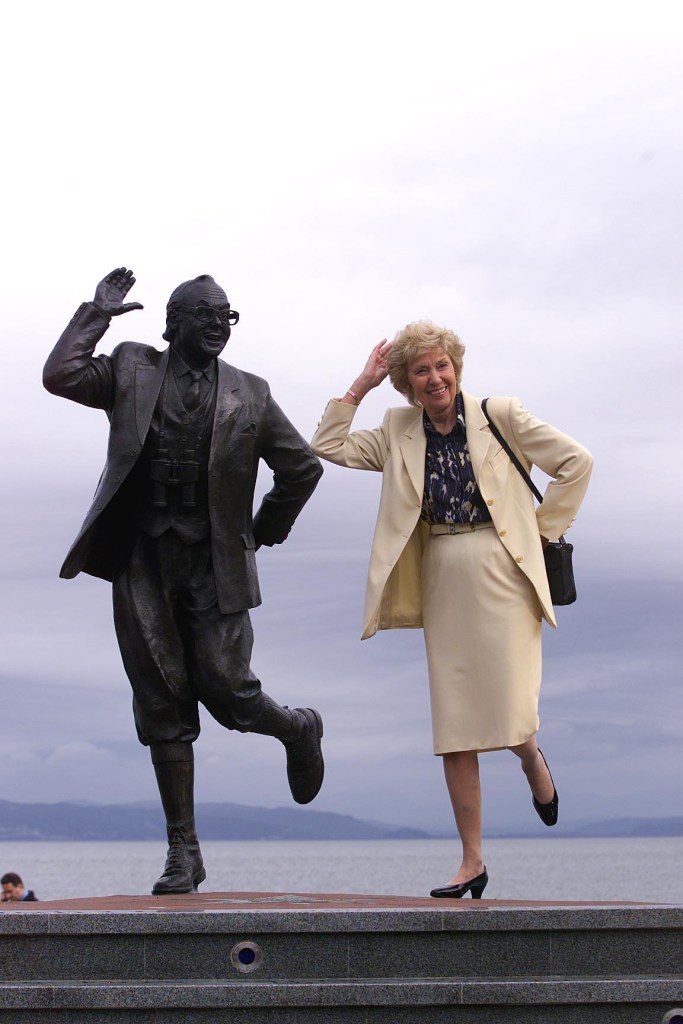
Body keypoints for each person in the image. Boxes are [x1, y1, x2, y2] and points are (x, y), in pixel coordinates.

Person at [43, 268, 324, 895]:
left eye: (228, 315)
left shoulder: (249, 392)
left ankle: (297, 728)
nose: (221, 325)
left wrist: (263, 530)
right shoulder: (132, 369)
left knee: (230, 693)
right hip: (141, 555)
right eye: (208, 314)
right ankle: (184, 850)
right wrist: (95, 314)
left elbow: (301, 467)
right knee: (162, 701)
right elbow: (60, 375)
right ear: (174, 322)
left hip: (213, 562)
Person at [311, 321, 593, 898]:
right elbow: (327, 446)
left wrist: (540, 534)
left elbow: (577, 463)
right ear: (407, 384)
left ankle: (530, 756)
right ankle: (471, 861)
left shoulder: (502, 416)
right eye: (421, 370)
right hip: (442, 574)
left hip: (504, 571)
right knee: (456, 722)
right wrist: (360, 385)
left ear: (455, 368)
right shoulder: (397, 430)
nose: (435, 378)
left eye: (442, 366)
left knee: (511, 703)